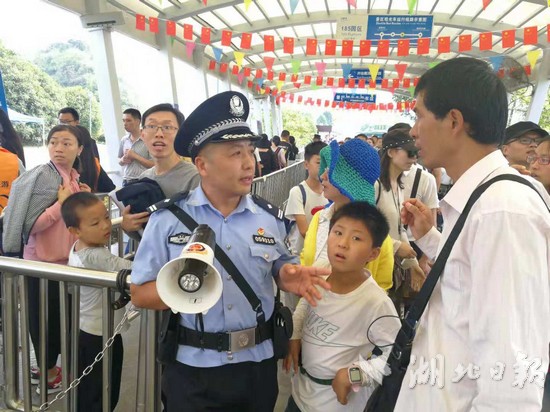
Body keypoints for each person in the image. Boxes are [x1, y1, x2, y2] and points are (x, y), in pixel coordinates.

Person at [130, 91, 331, 412]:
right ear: (202, 165)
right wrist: (188, 290)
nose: (249, 162)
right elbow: (140, 293)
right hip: (193, 370)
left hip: (257, 366)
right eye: (235, 153)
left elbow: (283, 266)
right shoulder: (168, 220)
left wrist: (289, 274)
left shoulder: (271, 218)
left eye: (250, 151)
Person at [395, 57, 550, 411]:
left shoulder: (503, 211)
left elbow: (512, 383)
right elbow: (469, 288)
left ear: (453, 121)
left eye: (419, 115)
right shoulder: (485, 199)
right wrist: (431, 240)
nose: (414, 131)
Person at [284, 202, 401, 412]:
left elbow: (396, 355)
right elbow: (305, 302)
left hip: (337, 404)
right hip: (299, 396)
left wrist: (354, 374)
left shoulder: (375, 302)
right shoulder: (321, 272)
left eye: (356, 238)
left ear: (373, 254)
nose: (343, 244)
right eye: (337, 233)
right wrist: (295, 332)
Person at [4, 125, 91, 393]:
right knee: (43, 320)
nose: (58, 148)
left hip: (63, 264)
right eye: (53, 142)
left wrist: (78, 197)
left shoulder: (71, 177)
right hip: (41, 264)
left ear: (80, 149)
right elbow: (31, 225)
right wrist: (61, 204)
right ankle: (48, 373)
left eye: (66, 143)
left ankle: (48, 366)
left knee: (56, 318)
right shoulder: (45, 176)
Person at [62, 192, 130, 412]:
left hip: (88, 330)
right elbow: (134, 270)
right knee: (103, 391)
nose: (105, 226)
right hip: (101, 335)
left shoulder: (79, 248)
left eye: (107, 218)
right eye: (95, 222)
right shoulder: (95, 256)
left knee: (90, 389)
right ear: (75, 231)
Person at [300, 139, 393, 292]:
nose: (322, 175)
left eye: (330, 171)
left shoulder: (377, 238)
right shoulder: (319, 219)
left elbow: (382, 287)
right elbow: (306, 258)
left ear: (346, 181)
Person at [375, 129, 428, 309]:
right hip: (375, 269)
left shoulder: (398, 186)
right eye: (409, 153)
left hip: (393, 267)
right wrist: (397, 247)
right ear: (391, 152)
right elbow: (365, 230)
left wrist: (412, 264)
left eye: (416, 154)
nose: (414, 159)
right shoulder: (375, 185)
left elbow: (399, 229)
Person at [285, 141, 328, 256]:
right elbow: (304, 231)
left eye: (326, 162)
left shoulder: (330, 193)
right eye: (319, 162)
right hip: (300, 255)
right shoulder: (297, 192)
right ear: (306, 164)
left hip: (320, 254)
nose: (323, 167)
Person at [118, 108, 154, 186]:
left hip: (143, 181)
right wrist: (123, 160)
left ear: (138, 121)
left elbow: (154, 164)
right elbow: (119, 161)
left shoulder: (149, 139)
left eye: (128, 120)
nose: (125, 123)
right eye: (123, 121)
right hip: (126, 181)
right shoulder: (124, 140)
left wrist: (135, 156)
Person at [76, 126, 115, 193]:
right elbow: (110, 187)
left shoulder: (69, 165)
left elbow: (110, 187)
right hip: (90, 200)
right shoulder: (94, 163)